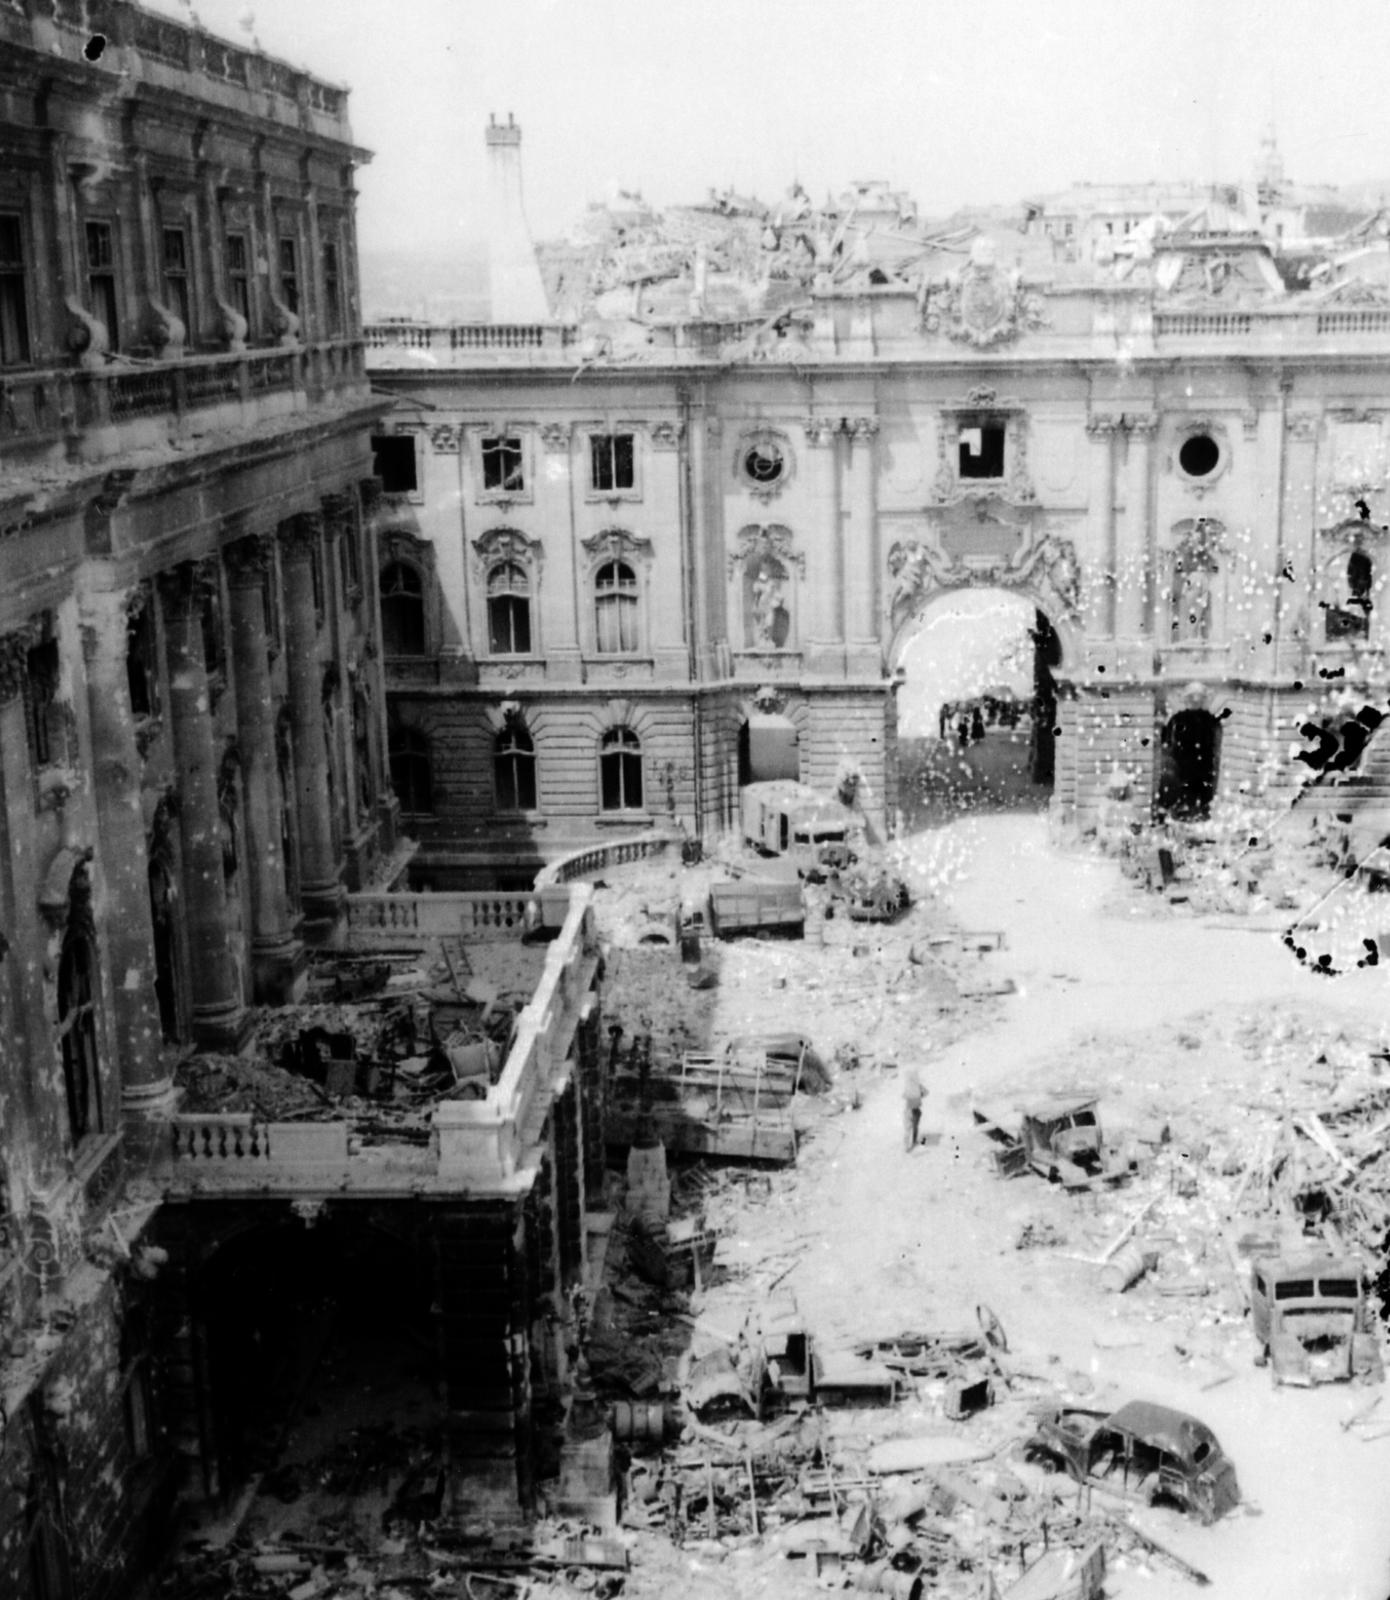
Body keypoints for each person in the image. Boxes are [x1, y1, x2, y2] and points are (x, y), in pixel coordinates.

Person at [902, 1065, 925, 1152]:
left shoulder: (908, 1088)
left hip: (909, 1110)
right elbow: (926, 1093)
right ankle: (913, 1141)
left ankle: (907, 1146)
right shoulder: (917, 1087)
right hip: (916, 1110)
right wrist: (920, 1093)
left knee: (908, 1129)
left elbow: (903, 1096)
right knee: (915, 1127)